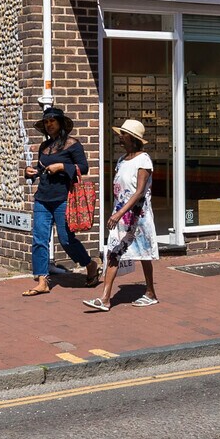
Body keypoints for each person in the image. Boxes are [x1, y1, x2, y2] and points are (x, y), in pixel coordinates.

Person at [85, 118, 158, 313]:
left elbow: (139, 191)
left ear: (133, 139)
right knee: (114, 253)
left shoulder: (143, 160)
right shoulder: (121, 160)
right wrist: (116, 212)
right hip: (121, 216)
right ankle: (105, 298)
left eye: (123, 135)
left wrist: (119, 213)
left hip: (137, 217)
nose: (120, 138)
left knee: (144, 255)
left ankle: (150, 293)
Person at [22, 105, 93, 295]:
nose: (49, 124)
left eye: (52, 120)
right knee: (39, 239)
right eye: (46, 122)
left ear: (61, 123)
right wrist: (30, 173)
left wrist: (62, 166)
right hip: (43, 198)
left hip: (64, 198)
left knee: (66, 239)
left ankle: (90, 264)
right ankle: (42, 280)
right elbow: (40, 169)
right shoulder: (45, 147)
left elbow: (83, 167)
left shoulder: (73, 144)